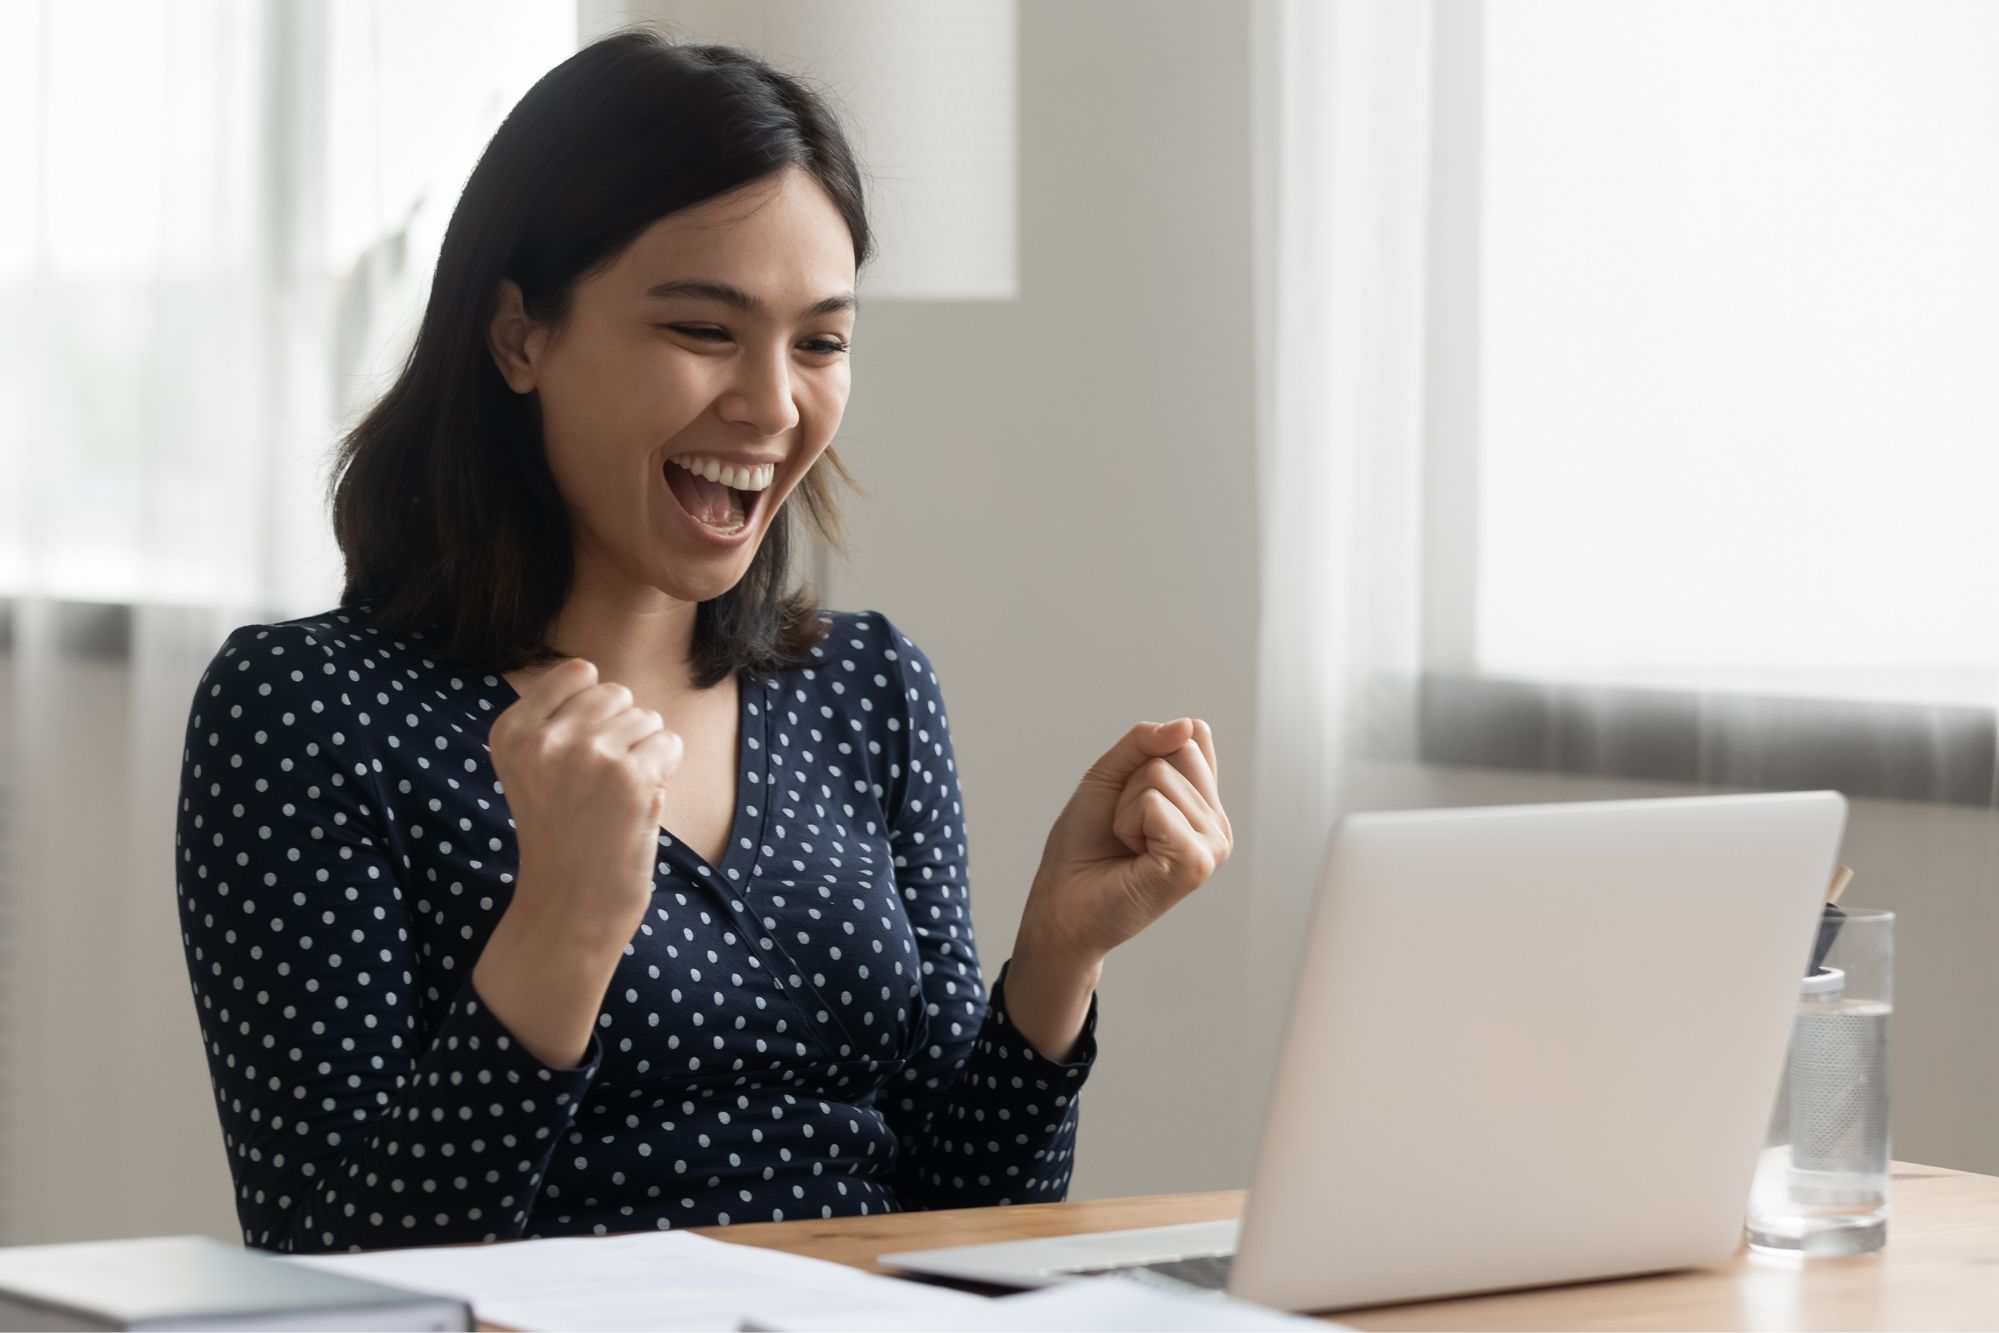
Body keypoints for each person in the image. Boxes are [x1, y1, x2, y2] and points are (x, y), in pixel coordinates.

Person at [173, 28, 1231, 1256]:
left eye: (821, 341)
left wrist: (1055, 956)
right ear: (519, 334)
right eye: (702, 329)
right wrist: (563, 925)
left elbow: (967, 1215)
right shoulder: (307, 711)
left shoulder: (865, 685)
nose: (773, 405)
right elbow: (328, 1267)